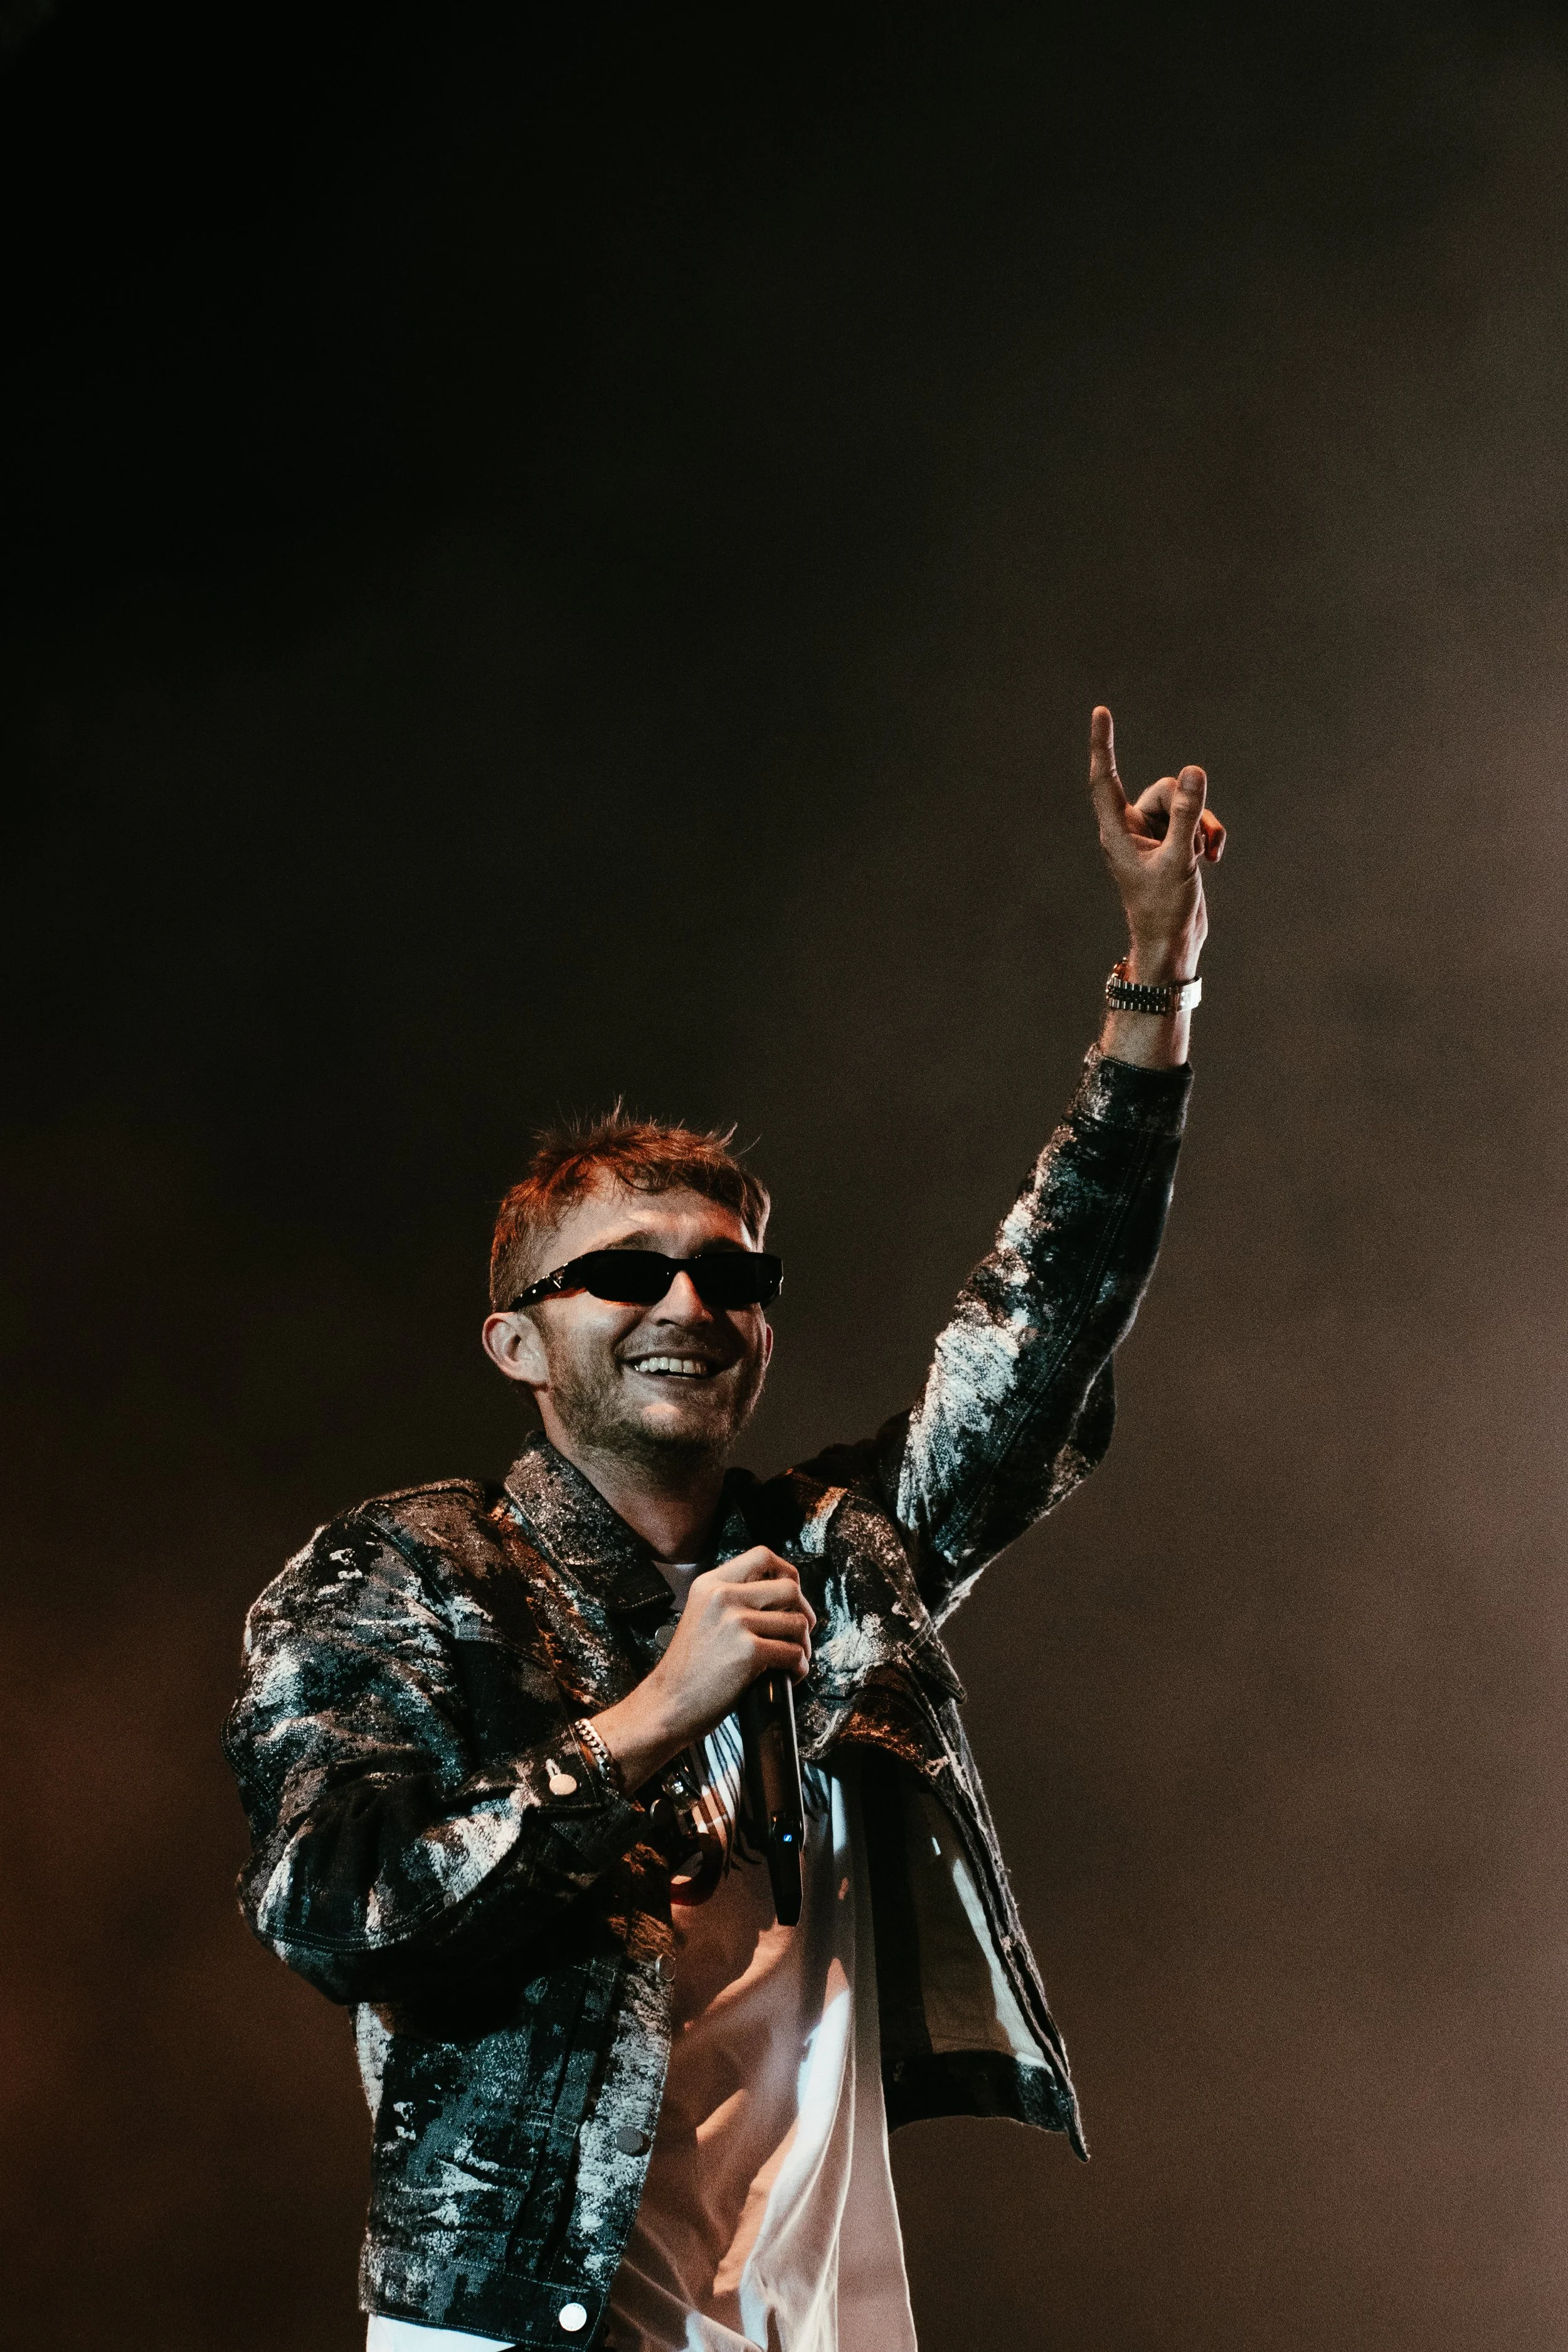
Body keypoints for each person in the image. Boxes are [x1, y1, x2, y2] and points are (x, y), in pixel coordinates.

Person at [225, 707, 1226, 2352]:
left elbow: (1036, 1336)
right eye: (623, 1272)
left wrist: (1152, 985)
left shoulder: (837, 1551)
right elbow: (333, 1901)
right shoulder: (406, 1571)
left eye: (731, 1275)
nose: (686, 1300)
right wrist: (635, 1726)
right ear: (517, 1341)